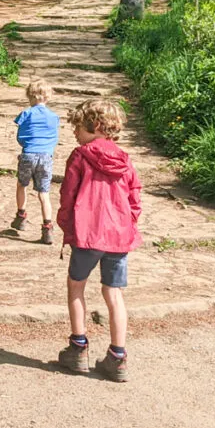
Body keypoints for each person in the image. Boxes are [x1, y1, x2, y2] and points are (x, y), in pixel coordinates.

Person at [56, 98, 143, 382]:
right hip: (118, 237)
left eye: (78, 127)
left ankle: (78, 348)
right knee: (113, 293)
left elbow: (68, 195)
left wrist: (66, 226)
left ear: (93, 126)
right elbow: (134, 199)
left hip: (87, 233)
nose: (74, 133)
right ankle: (118, 357)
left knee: (76, 287)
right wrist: (128, 224)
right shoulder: (125, 159)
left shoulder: (80, 156)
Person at [11, 79, 60, 245]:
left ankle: (21, 217)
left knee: (21, 185)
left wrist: (25, 145)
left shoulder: (26, 113)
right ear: (48, 97)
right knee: (44, 193)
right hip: (46, 157)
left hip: (28, 154)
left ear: (30, 96)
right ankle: (47, 227)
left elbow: (20, 135)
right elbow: (54, 136)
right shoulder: (54, 117)